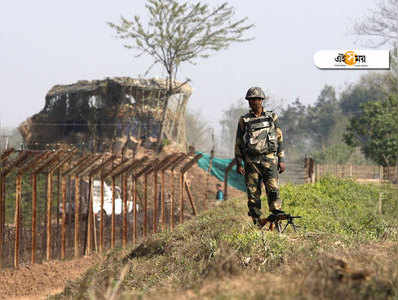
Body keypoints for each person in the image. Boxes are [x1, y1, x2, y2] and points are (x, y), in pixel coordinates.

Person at [234, 87, 286, 228]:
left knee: (273, 190)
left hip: (270, 160)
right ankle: (257, 223)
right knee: (253, 196)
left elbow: (279, 138)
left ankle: (276, 221)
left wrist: (281, 160)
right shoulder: (244, 120)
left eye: (256, 99)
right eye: (250, 100)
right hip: (251, 162)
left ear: (262, 100)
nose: (253, 102)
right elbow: (238, 142)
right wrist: (239, 163)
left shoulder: (271, 117)